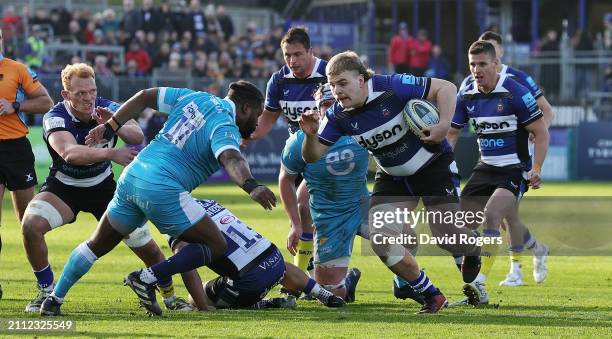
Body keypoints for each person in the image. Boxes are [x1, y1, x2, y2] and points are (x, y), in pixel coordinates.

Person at [40, 80, 277, 316]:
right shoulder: (226, 124)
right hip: (162, 186)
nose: (257, 123)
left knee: (96, 246)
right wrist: (251, 185)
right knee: (215, 244)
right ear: (246, 108)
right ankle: (146, 278)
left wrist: (112, 125)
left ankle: (53, 299)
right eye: (257, 115)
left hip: (133, 175)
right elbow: (231, 158)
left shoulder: (193, 96)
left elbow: (144, 95)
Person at [300, 51, 482, 314]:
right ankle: (432, 294)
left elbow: (447, 87)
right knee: (381, 239)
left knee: (446, 236)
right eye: (332, 85)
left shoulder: (390, 86)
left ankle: (473, 246)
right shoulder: (337, 116)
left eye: (342, 83)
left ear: (361, 79)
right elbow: (313, 156)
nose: (336, 91)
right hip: (393, 177)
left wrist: (443, 125)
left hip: (432, 167)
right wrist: (310, 136)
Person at [20, 63, 190, 312]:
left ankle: (171, 298)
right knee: (30, 226)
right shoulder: (55, 116)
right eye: (80, 94)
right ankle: (46, 290)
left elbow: (136, 135)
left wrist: (113, 124)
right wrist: (111, 152)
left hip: (105, 189)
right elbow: (69, 153)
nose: (88, 98)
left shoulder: (108, 107)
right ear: (66, 95)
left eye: (91, 90)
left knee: (150, 249)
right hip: (64, 187)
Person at [447, 41, 549, 306]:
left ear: (495, 64)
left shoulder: (515, 90)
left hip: (514, 170)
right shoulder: (467, 92)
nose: (476, 70)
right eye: (472, 65)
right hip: (485, 168)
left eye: (482, 64)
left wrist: (535, 168)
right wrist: (443, 162)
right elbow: (452, 132)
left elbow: (541, 131)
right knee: (460, 225)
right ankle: (476, 261)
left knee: (494, 214)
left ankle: (480, 284)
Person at [243, 27, 328, 276]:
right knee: (305, 213)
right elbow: (267, 121)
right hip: (299, 156)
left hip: (330, 154)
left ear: (311, 51)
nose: (293, 61)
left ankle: (313, 273)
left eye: (298, 54)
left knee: (308, 209)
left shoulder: (330, 73)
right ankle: (312, 275)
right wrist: (245, 136)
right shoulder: (279, 80)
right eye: (287, 55)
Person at [279, 84, 369, 302]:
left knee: (406, 236)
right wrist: (296, 225)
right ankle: (345, 282)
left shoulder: (363, 128)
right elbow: (285, 180)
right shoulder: (299, 141)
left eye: (334, 104)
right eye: (325, 105)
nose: (329, 110)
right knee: (329, 294)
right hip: (330, 219)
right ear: (318, 109)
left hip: (361, 206)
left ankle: (405, 285)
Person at [169, 199, 345, 310]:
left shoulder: (175, 218)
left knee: (194, 296)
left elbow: (184, 261)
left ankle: (261, 303)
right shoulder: (208, 202)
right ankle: (322, 293)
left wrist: (201, 306)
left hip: (249, 281)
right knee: (278, 264)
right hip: (274, 259)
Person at [0, 27, 54, 299]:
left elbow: (47, 101)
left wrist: (16, 106)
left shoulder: (17, 69)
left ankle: (45, 286)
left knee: (27, 223)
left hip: (16, 150)